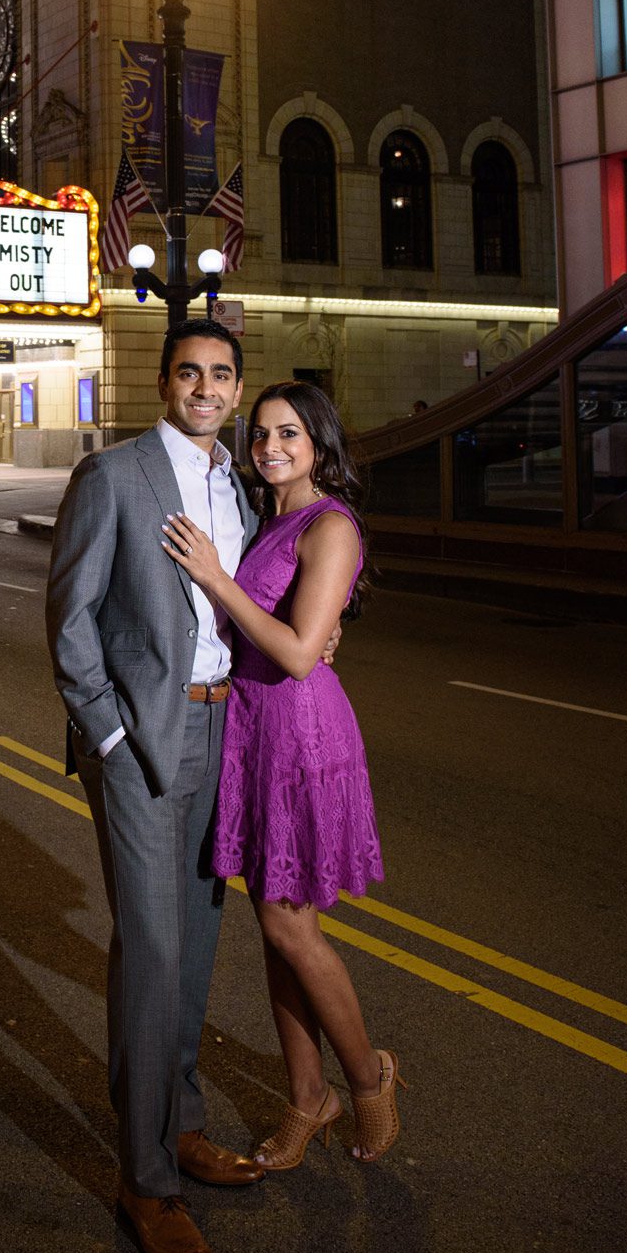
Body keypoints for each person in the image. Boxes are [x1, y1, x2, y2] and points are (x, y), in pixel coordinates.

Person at [46, 320, 267, 1253]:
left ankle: (179, 1130)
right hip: (144, 736)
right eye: (190, 372)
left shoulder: (237, 486)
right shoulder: (115, 475)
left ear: (236, 386)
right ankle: (144, 1184)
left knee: (198, 940)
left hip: (223, 730)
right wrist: (106, 732)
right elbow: (70, 616)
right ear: (165, 381)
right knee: (152, 947)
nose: (205, 388)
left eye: (221, 375)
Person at [160, 380, 404, 1175]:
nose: (269, 447)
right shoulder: (269, 515)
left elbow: (299, 651)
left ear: (319, 443)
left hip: (300, 741)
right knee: (275, 934)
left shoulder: (329, 524)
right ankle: (307, 1097)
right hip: (254, 734)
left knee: (290, 927)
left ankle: (367, 1079)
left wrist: (214, 579)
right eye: (260, 433)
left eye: (288, 434)